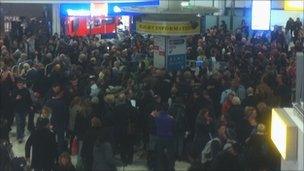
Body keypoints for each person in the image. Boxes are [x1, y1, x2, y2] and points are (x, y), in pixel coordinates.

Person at [154, 104, 175, 171]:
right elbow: (173, 128)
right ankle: (170, 168)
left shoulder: (157, 117)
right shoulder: (171, 118)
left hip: (159, 138)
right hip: (169, 138)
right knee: (170, 155)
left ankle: (160, 168)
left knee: (159, 155)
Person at [12, 78, 33, 143]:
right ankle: (19, 137)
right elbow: (11, 101)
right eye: (19, 84)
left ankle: (22, 134)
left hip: (24, 109)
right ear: (17, 84)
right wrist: (16, 98)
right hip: (17, 109)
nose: (20, 85)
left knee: (23, 123)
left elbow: (29, 99)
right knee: (18, 123)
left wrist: (31, 105)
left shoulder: (26, 91)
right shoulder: (14, 91)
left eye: (21, 83)